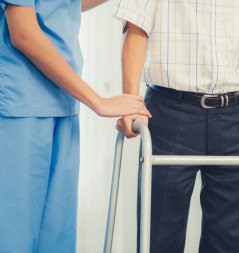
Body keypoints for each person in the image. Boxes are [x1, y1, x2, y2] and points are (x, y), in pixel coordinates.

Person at [115, 0, 239, 252]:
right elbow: (136, 28)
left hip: (236, 117)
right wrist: (131, 101)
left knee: (231, 240)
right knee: (159, 236)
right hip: (169, 112)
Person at [0, 1, 151, 252]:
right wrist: (99, 102)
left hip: (62, 102)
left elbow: (62, 4)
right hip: (22, 107)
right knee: (14, 237)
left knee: (57, 237)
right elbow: (23, 32)